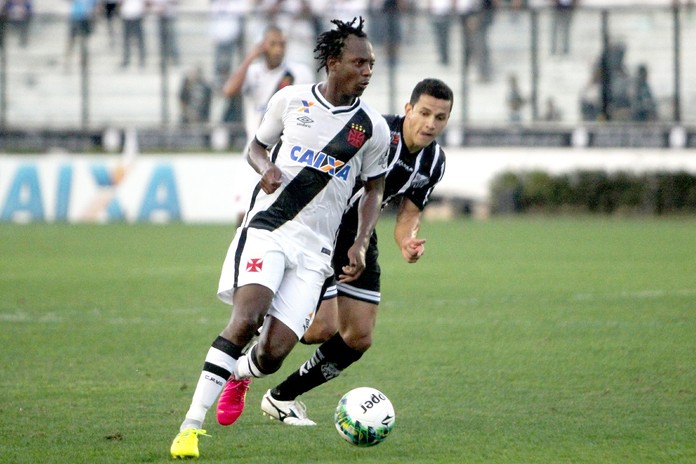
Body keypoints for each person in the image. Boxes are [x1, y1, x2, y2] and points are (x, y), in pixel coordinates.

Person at [170, 17, 390, 459]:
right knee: (246, 318)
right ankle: (190, 429)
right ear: (333, 62)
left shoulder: (371, 128)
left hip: (317, 251)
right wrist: (264, 167)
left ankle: (241, 375)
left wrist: (361, 240)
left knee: (273, 353)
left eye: (371, 64)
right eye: (359, 62)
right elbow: (255, 146)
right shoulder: (290, 100)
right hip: (269, 229)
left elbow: (374, 189)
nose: (368, 71)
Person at [218, 77, 453, 426]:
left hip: (361, 237)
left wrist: (406, 241)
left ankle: (281, 397)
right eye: (424, 113)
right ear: (408, 109)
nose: (431, 124)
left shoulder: (433, 163)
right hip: (321, 229)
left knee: (358, 336)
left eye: (441, 117)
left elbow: (408, 214)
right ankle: (250, 352)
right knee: (319, 330)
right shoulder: (372, 131)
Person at [222, 24, 314, 141]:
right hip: (255, 143)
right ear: (263, 45)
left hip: (284, 144)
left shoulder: (299, 72)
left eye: (282, 45)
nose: (278, 50)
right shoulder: (251, 71)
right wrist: (250, 57)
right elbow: (229, 91)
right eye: (273, 44)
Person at [65, 0, 97, 70]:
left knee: (83, 42)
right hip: (76, 17)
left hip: (84, 18)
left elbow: (94, 7)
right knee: (72, 41)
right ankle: (68, 61)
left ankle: (83, 61)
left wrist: (93, 20)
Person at [118, 0, 146, 69]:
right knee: (126, 40)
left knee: (139, 40)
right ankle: (127, 59)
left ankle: (142, 59)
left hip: (137, 15)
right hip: (127, 15)